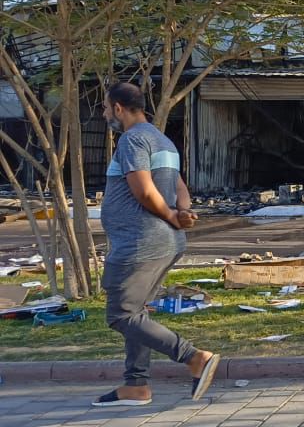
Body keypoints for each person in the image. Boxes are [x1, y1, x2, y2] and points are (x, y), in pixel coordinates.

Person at [93, 82, 219, 407]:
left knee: (121, 315)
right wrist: (182, 212)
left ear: (118, 108)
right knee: (138, 312)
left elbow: (144, 191)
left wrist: (174, 216)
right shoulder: (163, 140)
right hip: (162, 241)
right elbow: (180, 187)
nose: (105, 114)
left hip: (139, 242)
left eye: (105, 108)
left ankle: (194, 357)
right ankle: (136, 385)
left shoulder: (132, 139)